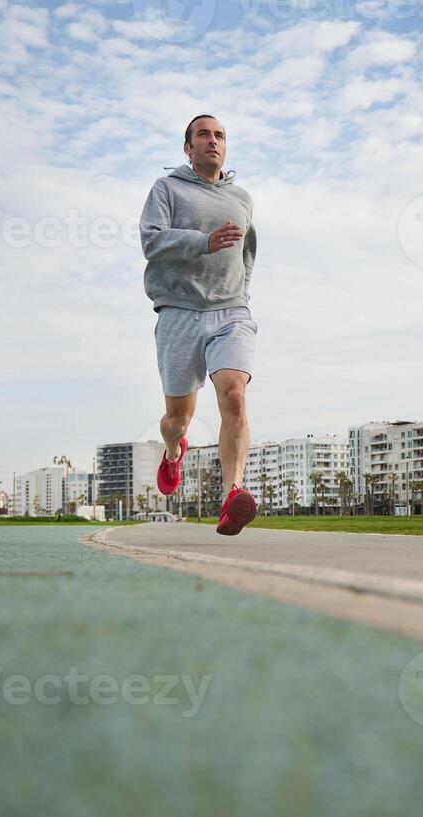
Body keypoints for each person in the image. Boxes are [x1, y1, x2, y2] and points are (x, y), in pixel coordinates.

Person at [139, 113, 258, 534]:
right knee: (178, 419)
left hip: (231, 311)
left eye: (220, 135)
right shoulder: (166, 189)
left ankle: (233, 495)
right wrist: (202, 243)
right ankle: (173, 453)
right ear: (187, 147)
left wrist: (241, 296)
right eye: (203, 134)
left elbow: (247, 254)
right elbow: (151, 241)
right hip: (179, 311)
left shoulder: (241, 198)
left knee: (234, 399)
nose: (213, 140)